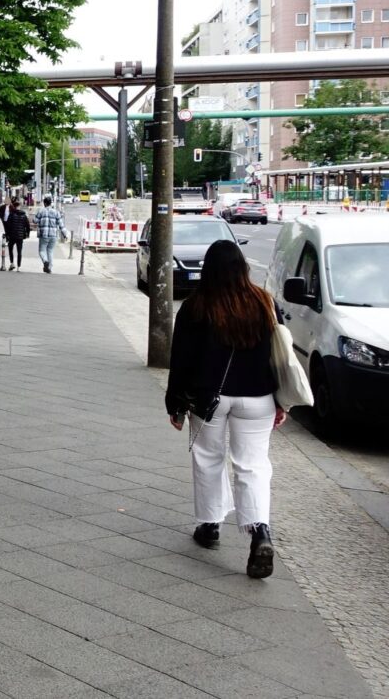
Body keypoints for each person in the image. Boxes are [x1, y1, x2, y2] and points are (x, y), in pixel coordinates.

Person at [165, 239, 285, 579]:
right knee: (253, 466)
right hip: (259, 398)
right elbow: (278, 357)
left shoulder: (196, 306)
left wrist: (175, 403)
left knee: (208, 458)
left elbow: (182, 361)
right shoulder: (264, 302)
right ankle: (259, 531)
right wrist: (280, 400)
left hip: (210, 399)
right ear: (243, 267)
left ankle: (210, 524)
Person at [33, 195, 67, 273]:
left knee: (41, 251)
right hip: (53, 235)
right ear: (51, 203)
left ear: (44, 203)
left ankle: (45, 261)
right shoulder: (56, 212)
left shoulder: (41, 211)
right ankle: (50, 268)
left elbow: (35, 221)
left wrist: (37, 218)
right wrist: (65, 234)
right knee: (50, 251)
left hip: (43, 235)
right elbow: (61, 224)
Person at [0, 198, 30, 271]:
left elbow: (8, 225)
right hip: (20, 236)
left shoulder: (11, 215)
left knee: (11, 250)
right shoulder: (24, 215)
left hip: (12, 236)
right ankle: (18, 267)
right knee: (19, 251)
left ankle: (12, 263)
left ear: (14, 206)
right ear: (19, 206)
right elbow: (27, 226)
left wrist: (7, 234)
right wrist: (27, 234)